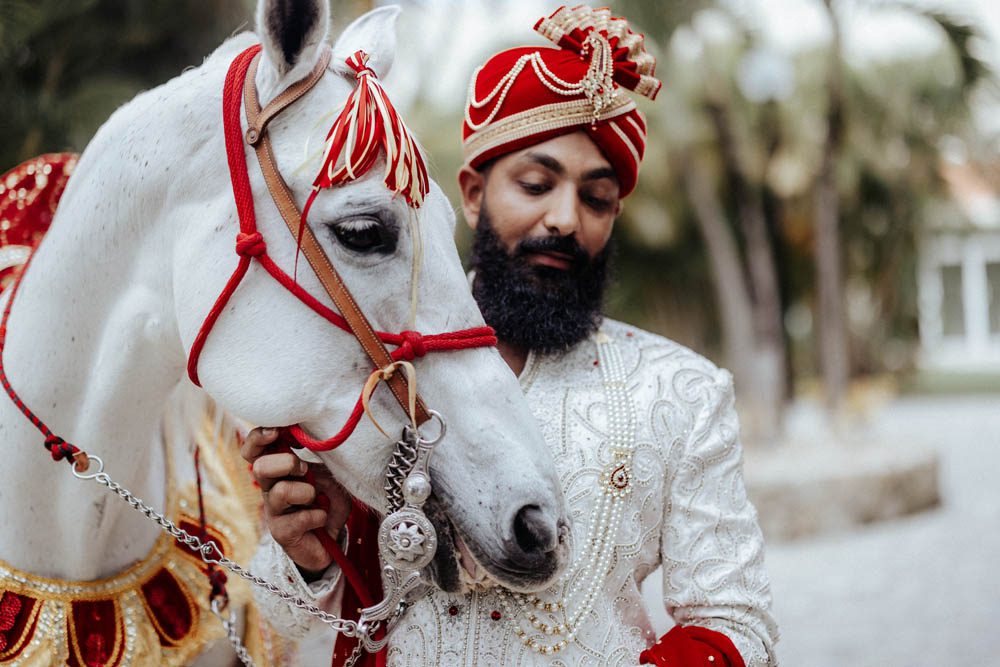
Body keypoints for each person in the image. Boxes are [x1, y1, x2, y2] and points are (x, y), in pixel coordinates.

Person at [244, 6, 779, 666]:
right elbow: (279, 621)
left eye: (596, 198)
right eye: (536, 184)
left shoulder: (682, 391)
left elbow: (737, 621)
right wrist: (307, 556)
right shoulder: (363, 368)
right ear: (472, 193)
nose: (564, 218)